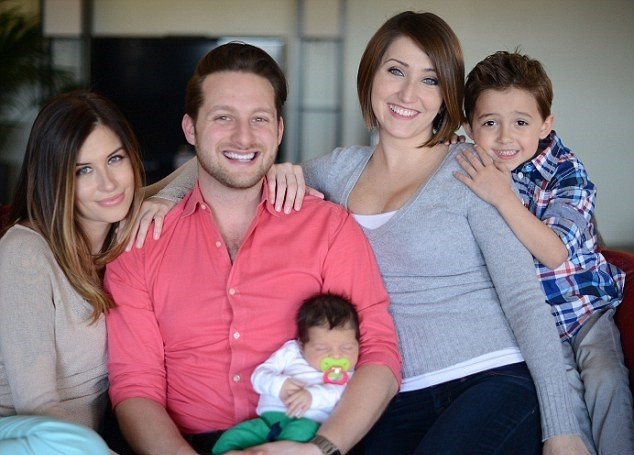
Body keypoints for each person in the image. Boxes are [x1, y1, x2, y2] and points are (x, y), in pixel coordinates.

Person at [144, 12, 590, 454]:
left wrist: (561, 428)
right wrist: (165, 197)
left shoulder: (473, 167)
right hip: (391, 394)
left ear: (447, 95)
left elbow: (524, 300)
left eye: (430, 80)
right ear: (371, 75)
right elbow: (237, 159)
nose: (408, 93)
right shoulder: (337, 171)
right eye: (395, 71)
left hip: (491, 377)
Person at [104, 41, 401, 455]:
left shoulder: (328, 228)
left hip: (310, 440)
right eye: (223, 117)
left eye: (258, 119)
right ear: (190, 128)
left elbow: (379, 354)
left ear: (278, 130)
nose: (243, 137)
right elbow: (136, 385)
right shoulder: (141, 243)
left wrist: (320, 448)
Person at [455, 50, 634, 454]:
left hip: (584, 307)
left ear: (545, 124)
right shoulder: (472, 166)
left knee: (605, 378)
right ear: (468, 127)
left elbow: (554, 253)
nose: (505, 137)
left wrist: (503, 197)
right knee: (563, 395)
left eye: (520, 122)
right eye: (489, 123)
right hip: (534, 323)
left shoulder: (567, 172)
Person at [0, 90, 145, 453]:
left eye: (115, 159)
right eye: (83, 170)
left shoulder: (122, 225)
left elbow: (201, 166)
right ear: (55, 178)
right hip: (25, 435)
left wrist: (162, 199)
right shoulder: (25, 254)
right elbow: (38, 408)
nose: (109, 183)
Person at [212, 293, 360, 454]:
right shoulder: (290, 352)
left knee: (302, 432)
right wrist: (279, 385)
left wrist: (313, 396)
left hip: (309, 424)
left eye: (347, 348)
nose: (336, 356)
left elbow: (341, 394)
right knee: (231, 438)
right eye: (322, 349)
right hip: (267, 423)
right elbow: (259, 376)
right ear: (302, 345)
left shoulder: (347, 372)